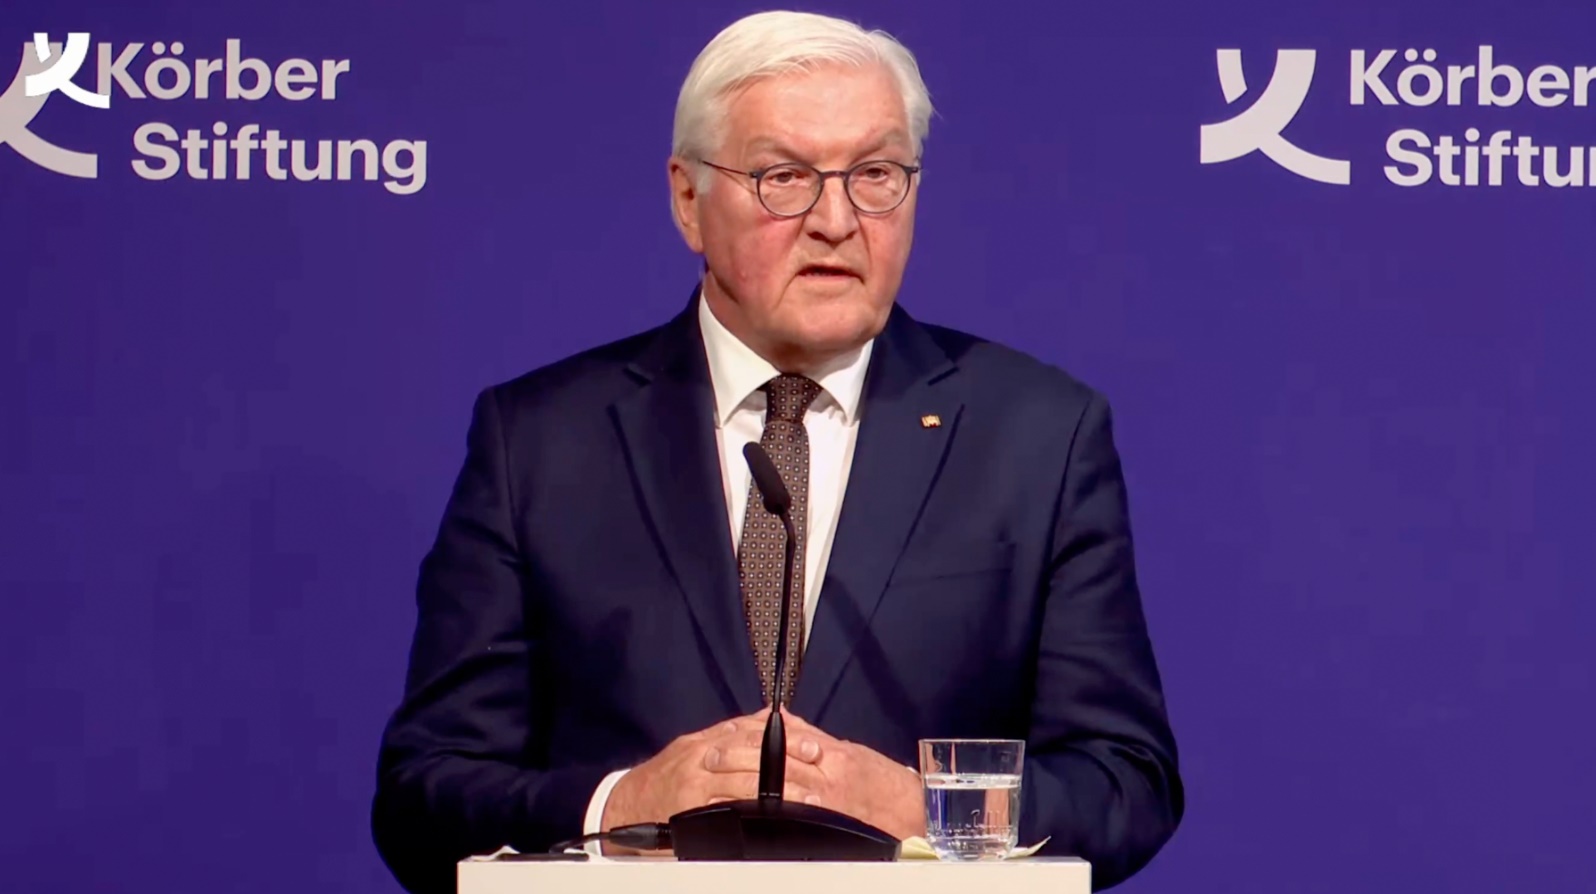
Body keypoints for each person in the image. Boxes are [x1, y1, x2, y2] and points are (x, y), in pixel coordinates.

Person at [371, 10, 1182, 893]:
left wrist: (924, 808)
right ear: (689, 200)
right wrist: (619, 803)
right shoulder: (541, 441)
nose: (837, 220)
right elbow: (424, 797)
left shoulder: (1037, 437)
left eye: (876, 175)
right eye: (784, 177)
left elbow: (1125, 781)